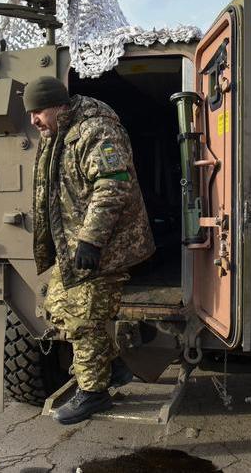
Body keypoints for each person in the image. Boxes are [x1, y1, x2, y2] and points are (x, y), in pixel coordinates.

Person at [26, 76, 155, 424]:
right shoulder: (58, 134)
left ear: (57, 106)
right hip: (73, 246)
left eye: (37, 111)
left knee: (84, 319)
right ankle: (112, 367)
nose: (33, 120)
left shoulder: (96, 131)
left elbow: (113, 184)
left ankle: (94, 393)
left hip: (103, 246)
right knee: (56, 309)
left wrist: (90, 240)